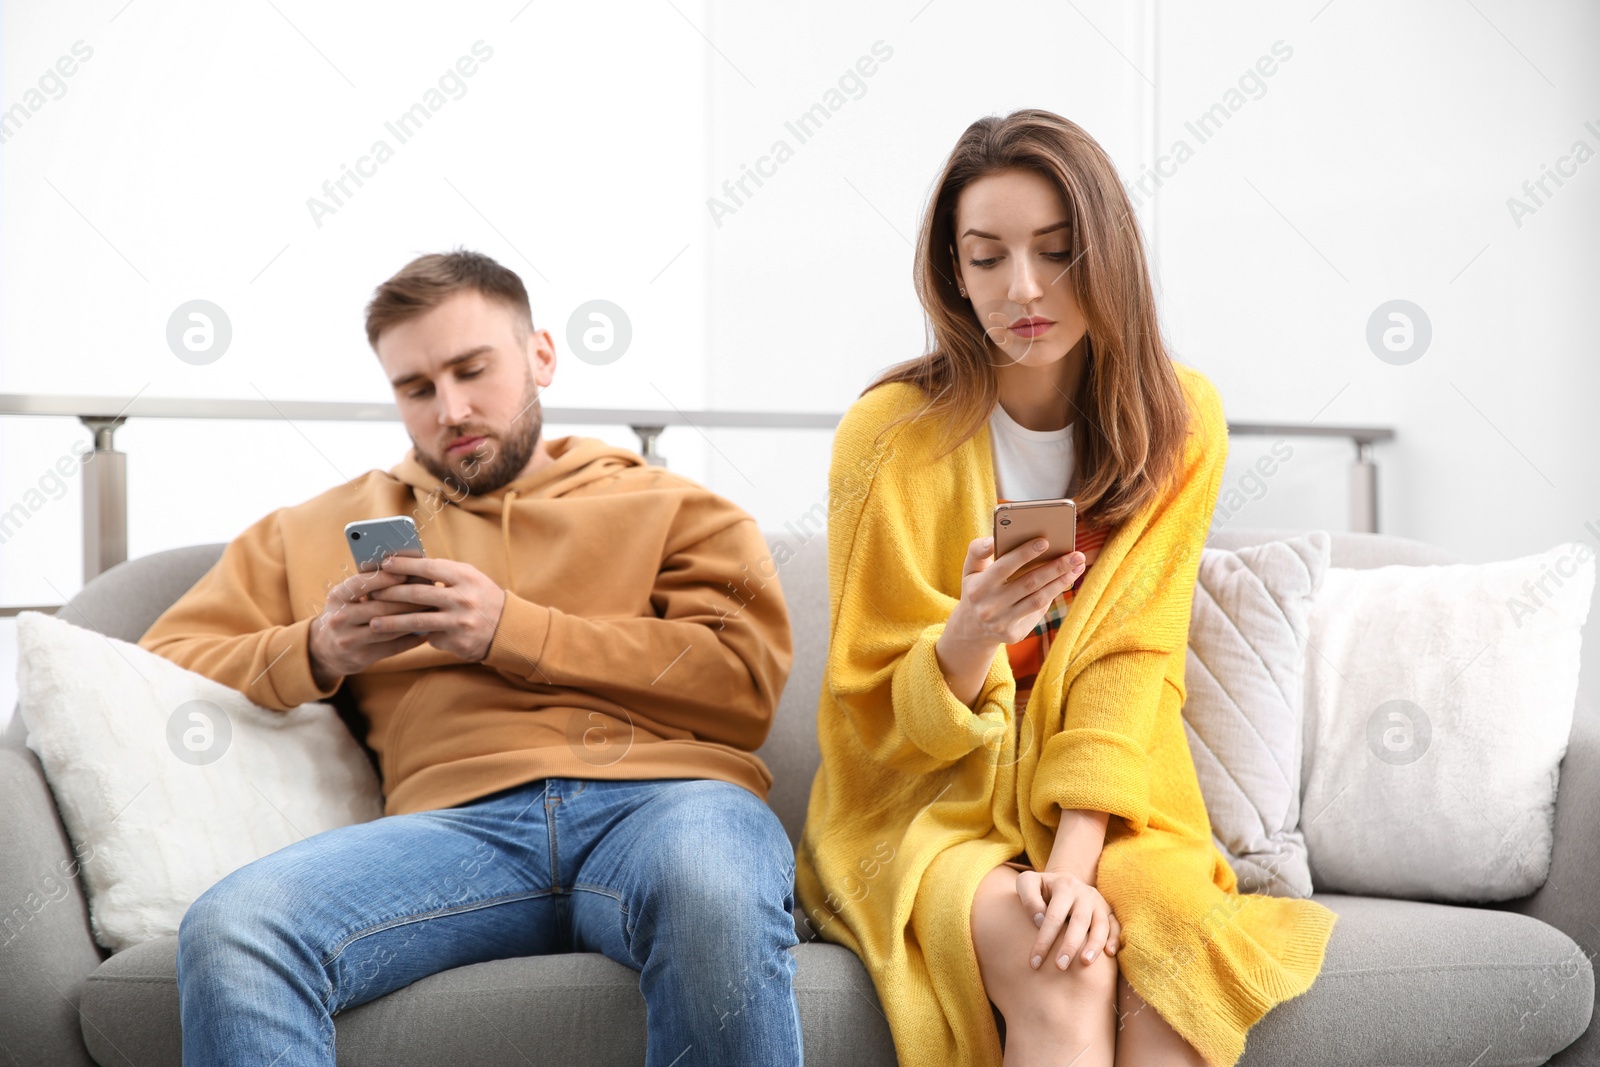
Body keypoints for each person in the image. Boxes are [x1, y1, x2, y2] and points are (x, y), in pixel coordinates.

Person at [139, 249, 804, 1066]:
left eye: (471, 369)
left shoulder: (677, 510)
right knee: (237, 926)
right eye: (416, 388)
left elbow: (740, 685)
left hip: (664, 804)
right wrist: (313, 648)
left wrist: (511, 630)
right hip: (452, 834)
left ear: (541, 357)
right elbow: (163, 663)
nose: (450, 408)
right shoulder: (311, 530)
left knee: (713, 890)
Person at [795, 109, 1337, 1067]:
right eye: (987, 257)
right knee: (1065, 963)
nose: (1025, 288)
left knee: (1167, 962)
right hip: (929, 807)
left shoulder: (1180, 422)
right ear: (951, 272)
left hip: (1111, 804)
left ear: (1109, 256)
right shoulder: (886, 435)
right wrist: (968, 636)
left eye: (1056, 251)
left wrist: (1077, 867)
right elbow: (869, 712)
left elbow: (1135, 662)